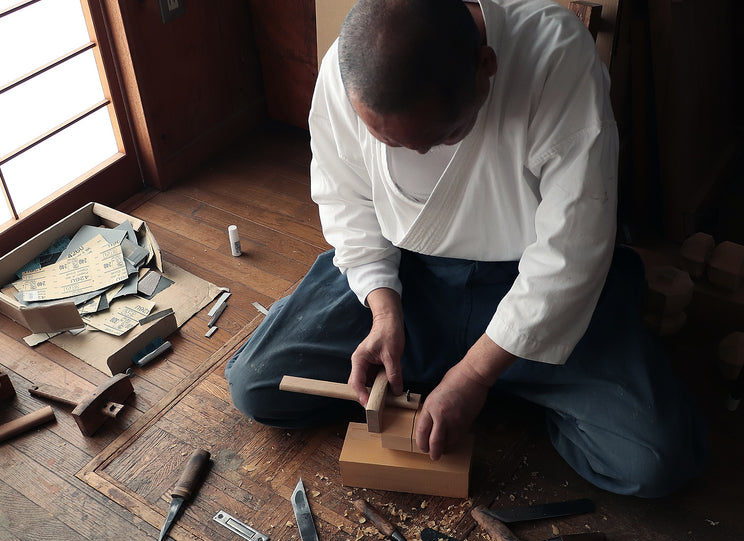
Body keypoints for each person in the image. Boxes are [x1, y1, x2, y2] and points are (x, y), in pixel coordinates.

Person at [225, 0, 706, 498]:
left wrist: (474, 375)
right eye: (391, 143)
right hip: (410, 278)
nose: (418, 156)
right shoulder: (348, 68)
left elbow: (573, 244)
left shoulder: (554, 55)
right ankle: (486, 379)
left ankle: (491, 373)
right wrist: (383, 309)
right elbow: (346, 199)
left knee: (654, 459)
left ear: (486, 67)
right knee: (256, 384)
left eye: (445, 135)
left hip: (527, 284)